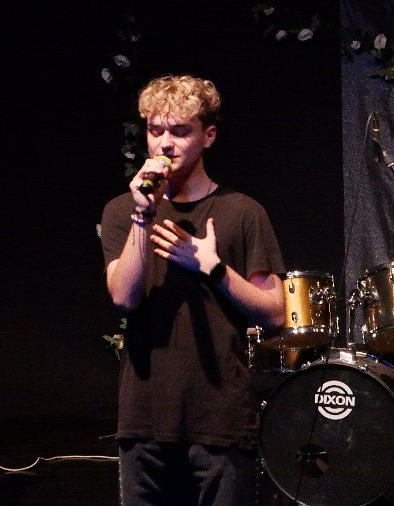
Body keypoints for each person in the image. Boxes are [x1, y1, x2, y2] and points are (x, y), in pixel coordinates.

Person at [99, 73, 287, 505]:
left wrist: (213, 268)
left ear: (209, 136)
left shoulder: (242, 212)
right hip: (145, 418)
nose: (165, 144)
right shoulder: (122, 212)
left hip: (219, 420)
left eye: (180, 131)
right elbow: (123, 297)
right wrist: (143, 217)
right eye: (155, 130)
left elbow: (275, 311)